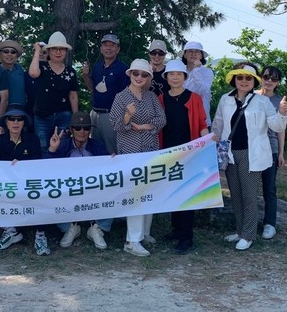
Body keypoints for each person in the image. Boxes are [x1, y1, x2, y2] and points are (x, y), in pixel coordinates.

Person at [212, 62, 287, 251]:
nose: (244, 81)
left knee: (248, 195)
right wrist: (212, 142)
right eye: (240, 77)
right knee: (236, 194)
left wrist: (281, 113)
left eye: (248, 78)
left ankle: (248, 235)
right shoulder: (225, 99)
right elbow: (218, 123)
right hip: (230, 154)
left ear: (254, 81)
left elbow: (276, 126)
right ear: (234, 79)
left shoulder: (262, 101)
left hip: (251, 154)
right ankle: (240, 231)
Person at [109, 59, 167, 257]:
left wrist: (144, 126)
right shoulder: (121, 97)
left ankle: (144, 233)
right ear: (130, 75)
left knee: (148, 191)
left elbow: (162, 119)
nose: (139, 77)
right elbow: (115, 124)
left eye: (144, 74)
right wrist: (127, 115)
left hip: (149, 149)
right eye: (136, 73)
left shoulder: (151, 96)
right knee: (136, 194)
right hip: (130, 150)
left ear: (148, 77)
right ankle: (132, 240)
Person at [158, 60, 209, 254]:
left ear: (185, 77)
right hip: (168, 152)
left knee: (187, 193)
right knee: (173, 191)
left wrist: (206, 142)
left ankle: (186, 238)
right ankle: (176, 230)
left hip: (190, 152)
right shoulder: (161, 98)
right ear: (166, 77)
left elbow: (202, 123)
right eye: (171, 74)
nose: (175, 77)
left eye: (179, 74)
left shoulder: (194, 98)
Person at [46, 111, 112, 250]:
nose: (82, 131)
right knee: (51, 193)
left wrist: (112, 161)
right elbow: (46, 169)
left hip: (93, 189)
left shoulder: (98, 146)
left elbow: (109, 169)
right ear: (71, 130)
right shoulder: (62, 145)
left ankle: (97, 228)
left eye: (86, 128)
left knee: (113, 191)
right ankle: (70, 227)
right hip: (68, 190)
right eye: (78, 128)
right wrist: (52, 149)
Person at [0, 107, 47, 255]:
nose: (15, 122)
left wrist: (22, 166)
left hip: (28, 182)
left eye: (19, 119)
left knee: (41, 196)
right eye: (11, 119)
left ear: (24, 122)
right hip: (7, 183)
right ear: (6, 122)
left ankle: (40, 235)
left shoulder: (33, 139)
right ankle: (10, 231)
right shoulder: (1, 139)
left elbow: (37, 164)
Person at [29, 31, 79, 152]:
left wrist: (75, 117)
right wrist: (37, 51)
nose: (58, 52)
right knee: (43, 148)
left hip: (64, 116)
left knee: (63, 148)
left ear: (66, 52)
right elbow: (33, 73)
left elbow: (73, 95)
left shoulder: (70, 71)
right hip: (42, 117)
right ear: (49, 51)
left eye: (62, 49)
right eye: (54, 49)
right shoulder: (42, 67)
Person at [81, 33, 130, 155]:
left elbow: (126, 95)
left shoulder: (123, 69)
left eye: (112, 45)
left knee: (112, 151)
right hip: (95, 114)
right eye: (105, 45)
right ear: (101, 48)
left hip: (111, 115)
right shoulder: (98, 66)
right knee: (96, 150)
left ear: (117, 49)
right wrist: (85, 76)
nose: (108, 48)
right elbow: (93, 88)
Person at [258, 65, 287, 240]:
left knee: (269, 188)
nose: (269, 81)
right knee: (248, 188)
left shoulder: (279, 102)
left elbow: (281, 129)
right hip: (252, 148)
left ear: (278, 82)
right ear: (261, 77)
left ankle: (270, 224)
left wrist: (281, 152)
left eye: (274, 78)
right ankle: (247, 223)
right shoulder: (251, 96)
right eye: (266, 77)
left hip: (271, 148)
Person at [179, 41, 214, 126]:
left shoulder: (207, 72)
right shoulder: (179, 71)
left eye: (197, 51)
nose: (193, 54)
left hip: (202, 121)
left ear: (201, 55)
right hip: (182, 119)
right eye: (190, 51)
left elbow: (202, 90)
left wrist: (196, 70)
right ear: (184, 54)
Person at [0, 40, 26, 109]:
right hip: (1, 110)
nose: (9, 54)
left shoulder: (20, 69)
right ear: (0, 54)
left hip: (21, 110)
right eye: (6, 51)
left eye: (13, 52)